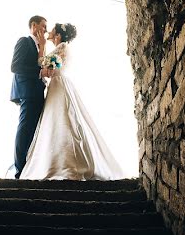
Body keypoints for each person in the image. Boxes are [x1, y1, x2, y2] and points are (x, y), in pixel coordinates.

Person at [19, 22, 128, 180]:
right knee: (57, 122)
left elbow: (41, 63)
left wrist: (42, 47)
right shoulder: (61, 47)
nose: (48, 31)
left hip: (59, 86)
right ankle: (58, 161)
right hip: (55, 86)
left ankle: (69, 164)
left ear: (58, 35)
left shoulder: (62, 47)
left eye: (51, 30)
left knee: (64, 120)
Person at [9, 15, 53, 179]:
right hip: (27, 91)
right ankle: (19, 169)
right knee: (25, 128)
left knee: (34, 130)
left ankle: (29, 167)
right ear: (33, 25)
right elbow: (16, 66)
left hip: (37, 91)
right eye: (43, 26)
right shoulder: (24, 41)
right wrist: (39, 72)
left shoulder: (40, 46)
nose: (46, 31)